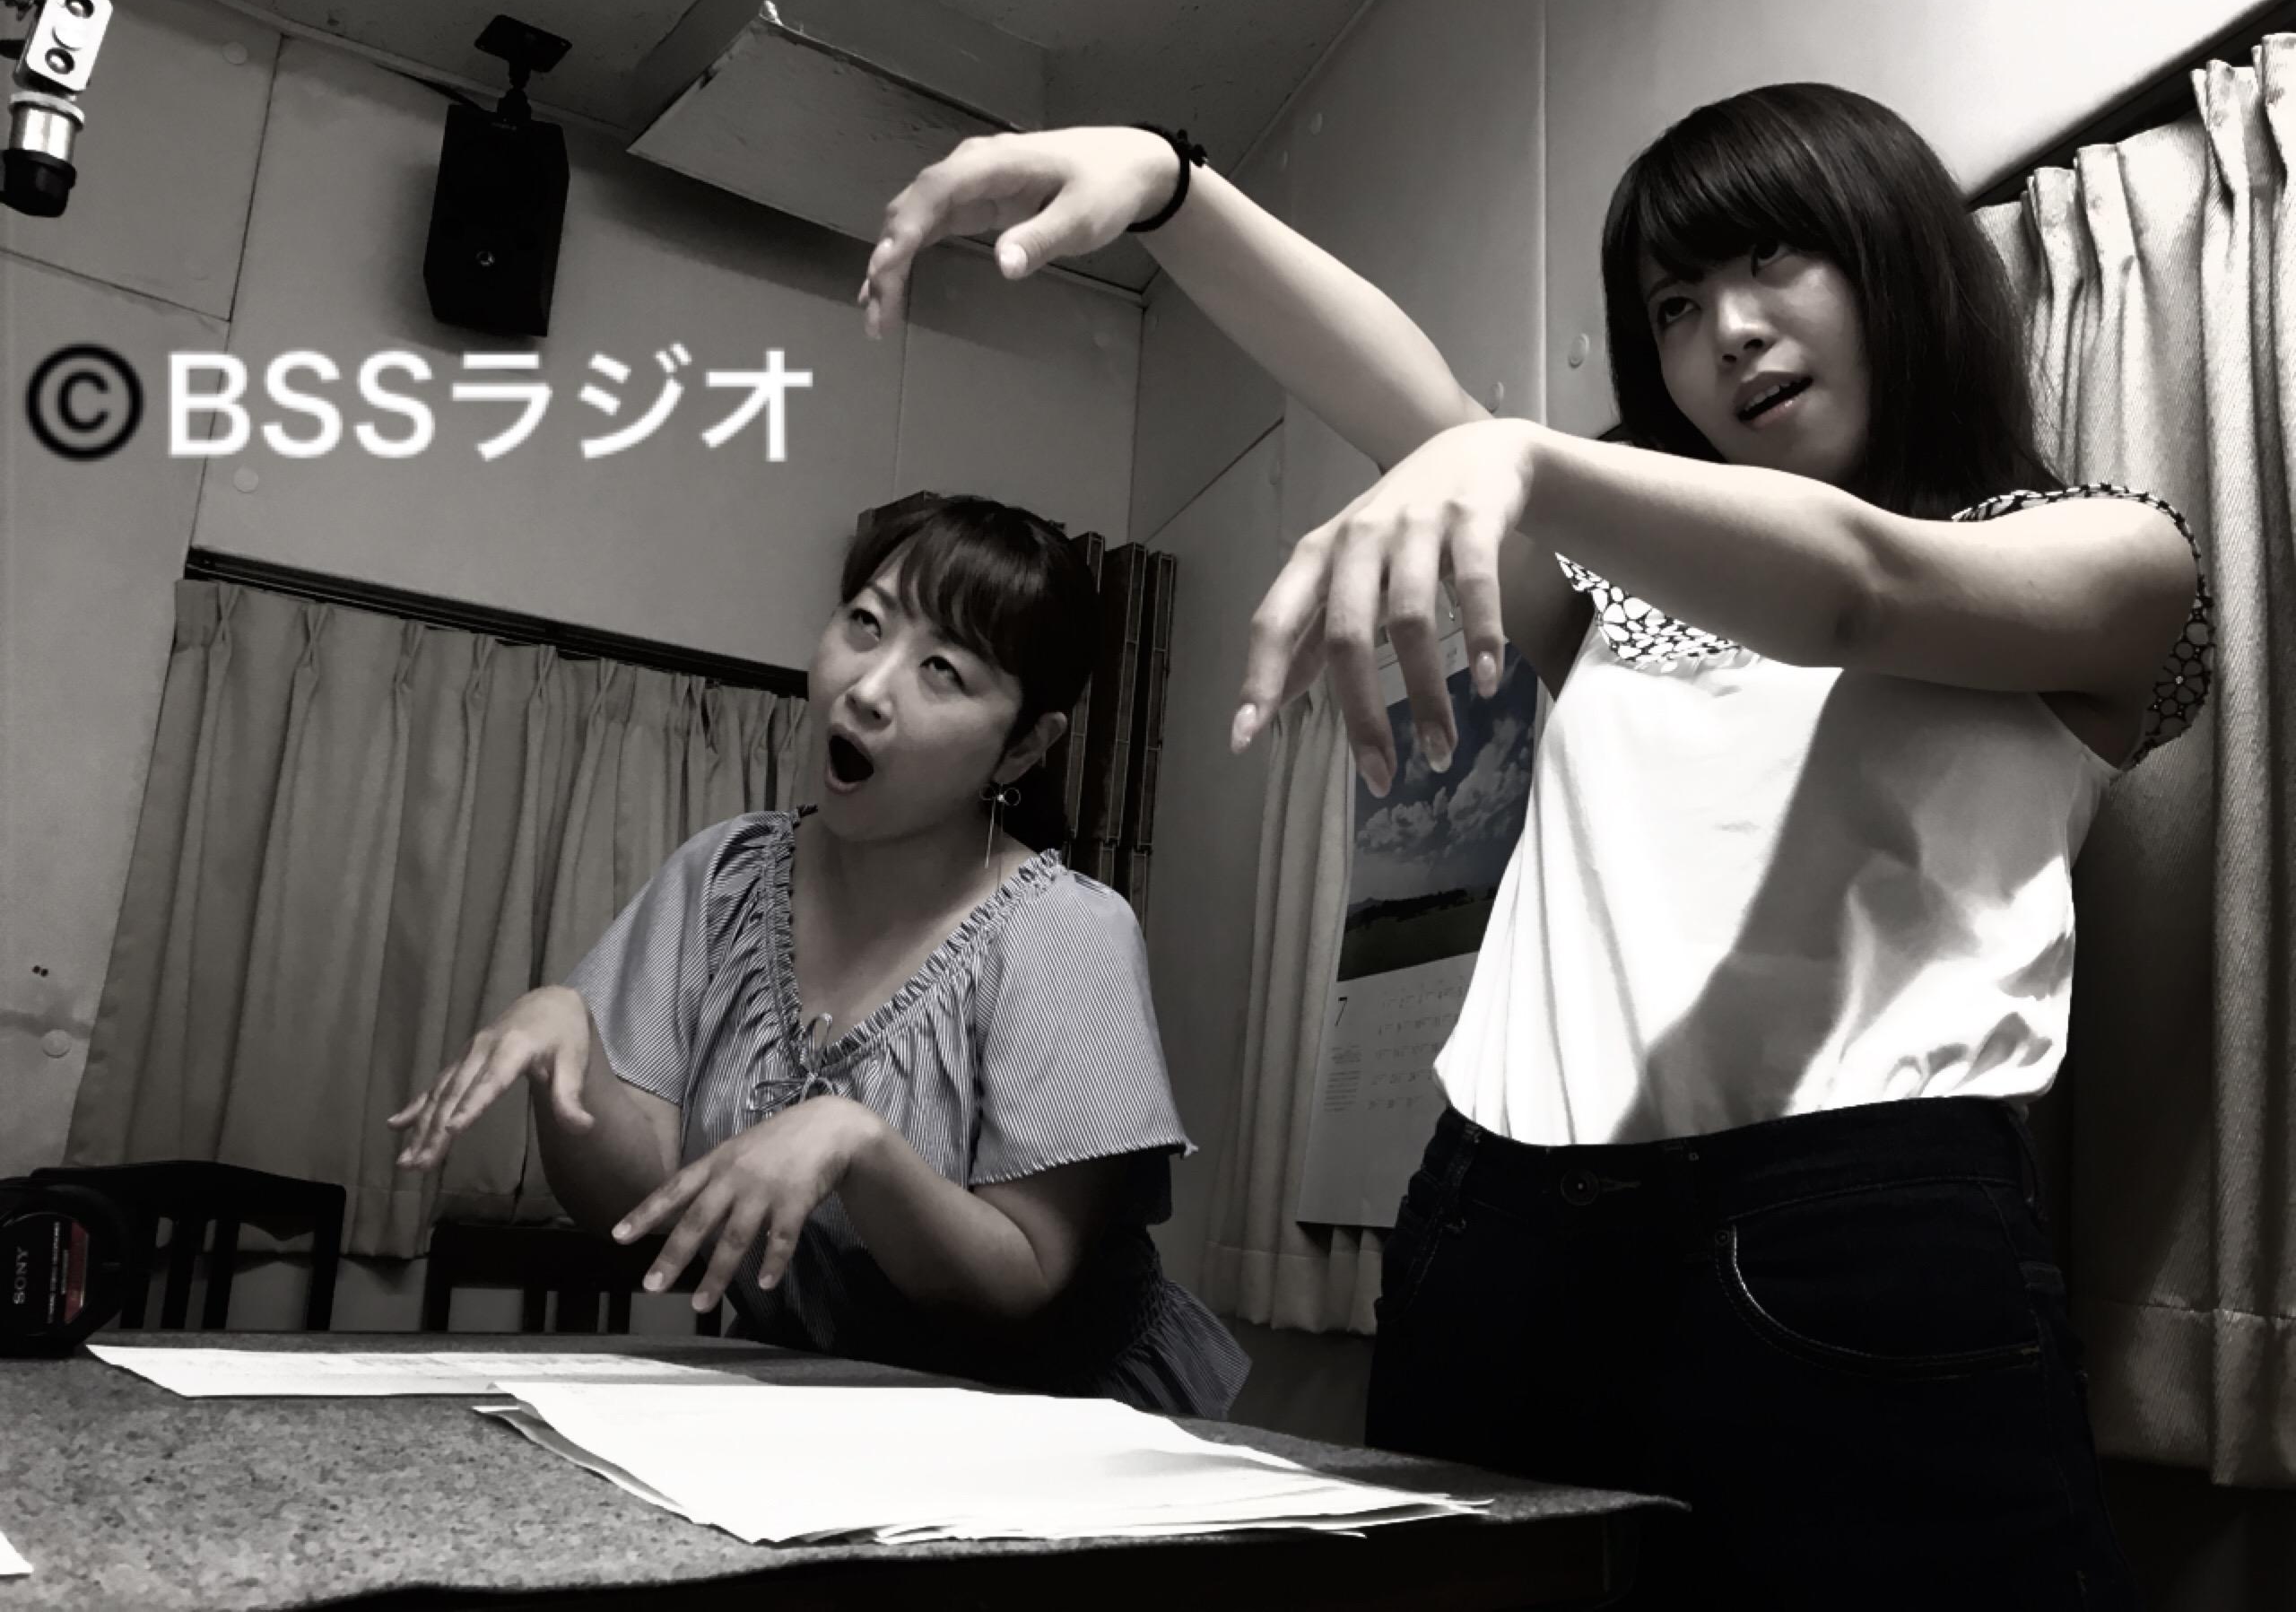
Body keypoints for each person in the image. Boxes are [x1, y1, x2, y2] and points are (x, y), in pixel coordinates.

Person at [860, 89, 2207, 1606]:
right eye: (1676, 305)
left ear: (1899, 255)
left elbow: (1856, 593)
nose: (1729, 332)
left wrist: (1519, 459)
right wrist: (1175, 189)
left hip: (1865, 1226)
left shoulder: (2107, 552)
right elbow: (1413, 414)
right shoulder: (1616, 602)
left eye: (1776, 258)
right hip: (1499, 1220)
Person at [389, 493, 1248, 1419]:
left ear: (1023, 748)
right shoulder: (721, 877)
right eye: (865, 623)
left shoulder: (1065, 930)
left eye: (943, 670)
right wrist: (571, 1053)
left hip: (1063, 1419)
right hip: (828, 1405)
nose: (869, 687)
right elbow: (641, 1205)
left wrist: (856, 1142)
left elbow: (1021, 1279)